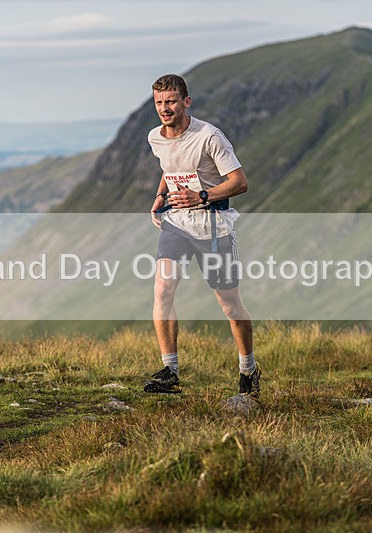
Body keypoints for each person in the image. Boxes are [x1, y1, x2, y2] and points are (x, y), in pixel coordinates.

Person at [144, 74, 260, 397]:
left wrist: (203, 196)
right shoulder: (156, 137)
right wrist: (159, 195)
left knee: (229, 304)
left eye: (170, 102)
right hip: (177, 223)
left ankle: (248, 369)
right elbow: (169, 168)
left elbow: (240, 182)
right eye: (159, 103)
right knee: (163, 289)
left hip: (213, 226)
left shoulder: (209, 136)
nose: (164, 109)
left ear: (185, 102)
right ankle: (170, 370)